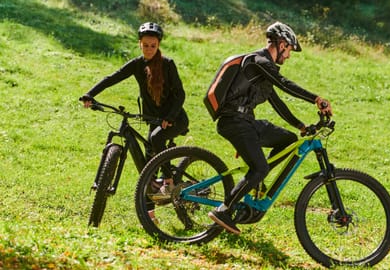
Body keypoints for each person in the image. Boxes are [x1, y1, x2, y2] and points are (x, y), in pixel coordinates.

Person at [208, 21, 332, 235]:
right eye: (289, 50)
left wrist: (300, 126)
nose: (289, 56)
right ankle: (224, 210)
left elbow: (277, 102)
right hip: (233, 121)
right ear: (282, 43)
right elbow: (284, 84)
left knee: (288, 140)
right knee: (260, 168)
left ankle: (257, 181)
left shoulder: (264, 71)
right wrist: (316, 99)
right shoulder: (259, 61)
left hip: (247, 122)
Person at [80, 22, 189, 222]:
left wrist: (170, 117)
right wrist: (90, 94)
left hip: (175, 119)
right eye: (145, 45)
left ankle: (169, 182)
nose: (149, 49)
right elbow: (112, 78)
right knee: (147, 166)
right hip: (153, 120)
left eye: (153, 46)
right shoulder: (137, 64)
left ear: (158, 46)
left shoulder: (167, 64)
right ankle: (151, 215)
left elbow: (180, 94)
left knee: (156, 140)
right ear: (139, 44)